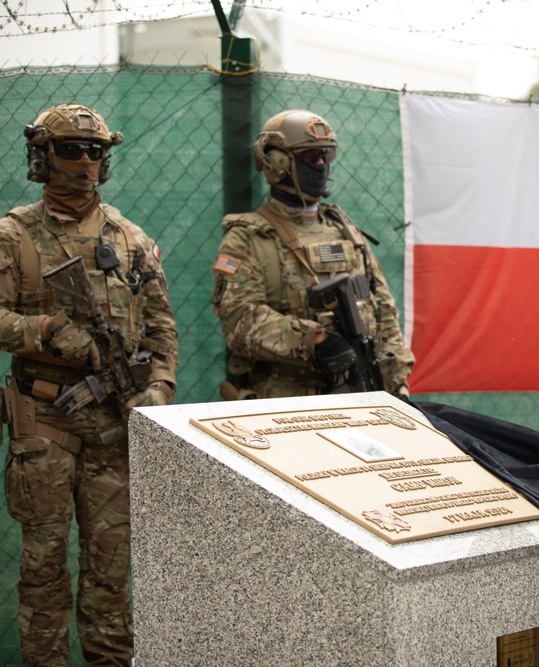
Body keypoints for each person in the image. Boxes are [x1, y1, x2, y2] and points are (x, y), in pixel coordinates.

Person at [0, 103, 179, 666]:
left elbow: (162, 328)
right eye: (70, 149)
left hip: (114, 427)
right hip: (44, 422)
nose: (83, 160)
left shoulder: (129, 239)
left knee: (110, 574)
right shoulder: (13, 235)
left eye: (94, 150)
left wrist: (158, 389)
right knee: (43, 570)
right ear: (43, 156)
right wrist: (48, 331)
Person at [211, 109, 414, 399]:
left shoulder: (346, 232)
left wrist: (398, 382)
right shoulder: (248, 238)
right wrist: (313, 340)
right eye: (309, 157)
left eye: (325, 156)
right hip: (287, 402)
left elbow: (383, 311)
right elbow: (238, 321)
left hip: (362, 393)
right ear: (276, 162)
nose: (320, 165)